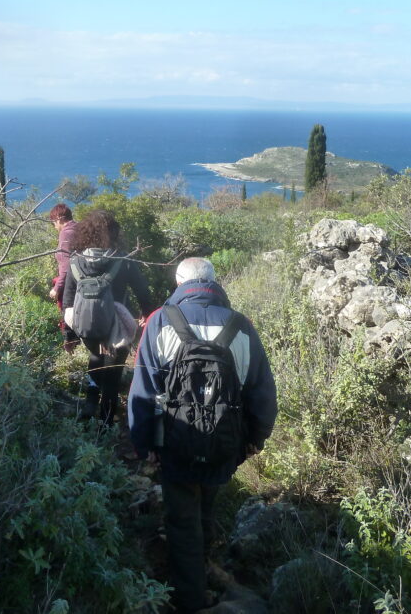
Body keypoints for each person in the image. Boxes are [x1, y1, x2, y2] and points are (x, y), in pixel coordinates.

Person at [129, 257, 277, 614]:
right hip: (225, 443)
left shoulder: (160, 321)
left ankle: (190, 599)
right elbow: (262, 393)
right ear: (214, 282)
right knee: (206, 506)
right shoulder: (241, 326)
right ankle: (206, 565)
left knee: (181, 523)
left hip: (175, 442)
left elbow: (143, 392)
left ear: (180, 284)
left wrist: (144, 444)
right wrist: (255, 438)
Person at [62, 209, 154, 425]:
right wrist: (145, 314)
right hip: (118, 326)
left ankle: (89, 405)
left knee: (95, 358)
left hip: (87, 325)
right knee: (113, 374)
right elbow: (143, 292)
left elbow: (67, 301)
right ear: (114, 232)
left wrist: (69, 336)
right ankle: (105, 424)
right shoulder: (123, 260)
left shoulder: (75, 261)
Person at [48, 203, 80, 354]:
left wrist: (57, 288)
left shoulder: (66, 233)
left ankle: (71, 355)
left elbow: (66, 267)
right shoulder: (79, 228)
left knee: (68, 319)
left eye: (53, 221)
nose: (54, 225)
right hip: (82, 282)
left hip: (70, 285)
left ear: (59, 219)